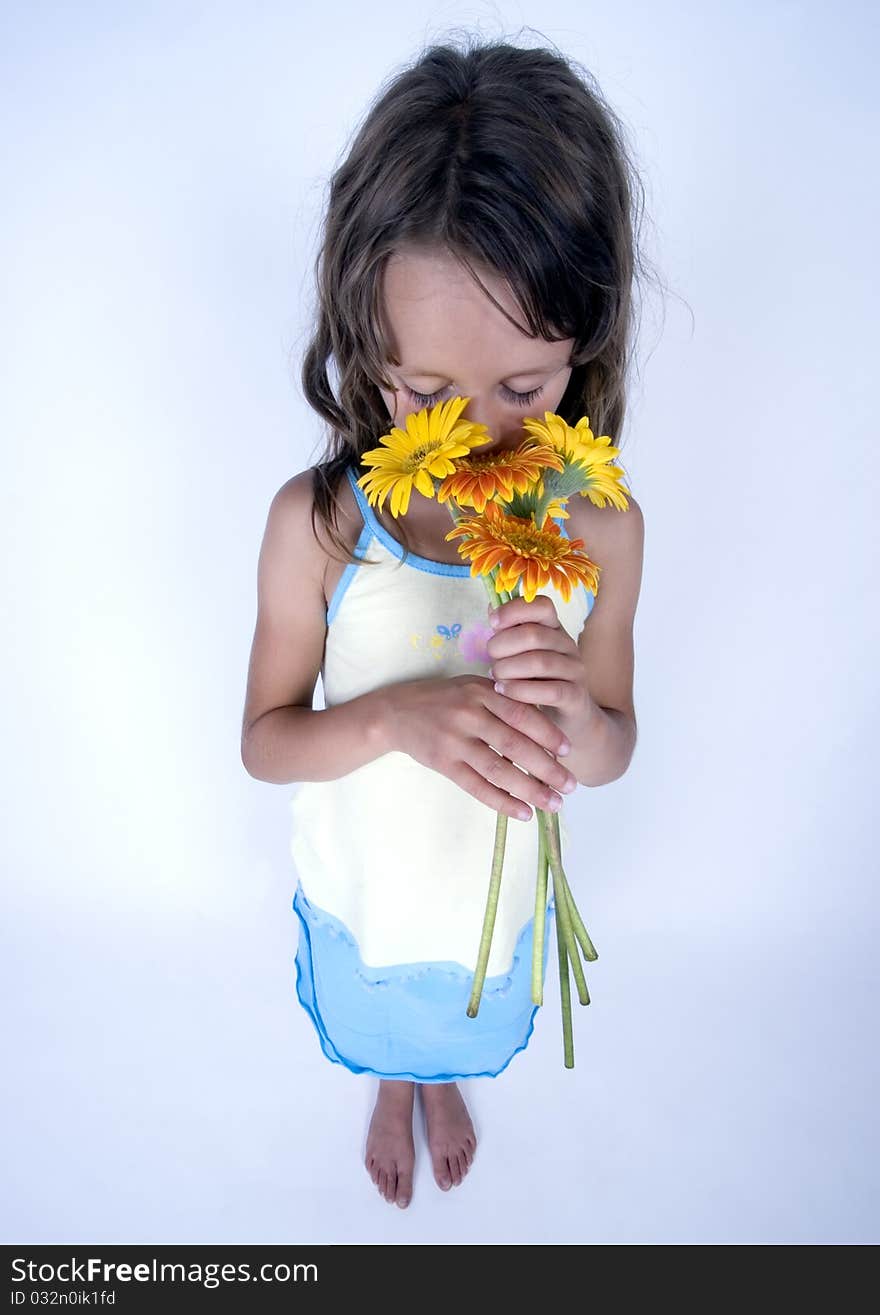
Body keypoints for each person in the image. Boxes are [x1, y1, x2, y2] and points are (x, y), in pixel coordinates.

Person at [241, 36, 647, 1211]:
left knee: (461, 1008)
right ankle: (388, 1081)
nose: (474, 438)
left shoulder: (603, 530)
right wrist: (395, 719)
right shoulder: (319, 526)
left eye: (522, 390)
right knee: (382, 1010)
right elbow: (265, 740)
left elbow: (616, 742)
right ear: (365, 349)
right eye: (425, 393)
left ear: (583, 348)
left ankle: (439, 1076)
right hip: (369, 881)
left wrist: (580, 713)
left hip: (490, 890)